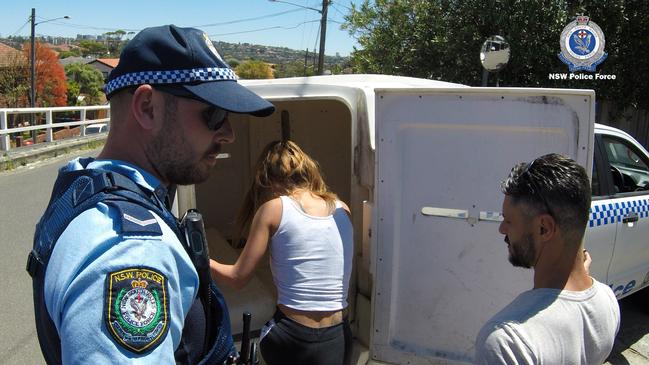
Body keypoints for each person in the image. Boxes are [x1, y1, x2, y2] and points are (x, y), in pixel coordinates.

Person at [27, 25, 275, 364]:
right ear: (147, 107)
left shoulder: (83, 186)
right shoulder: (131, 253)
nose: (228, 134)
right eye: (214, 115)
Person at [210, 140, 354, 365]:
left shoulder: (273, 209)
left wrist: (198, 258)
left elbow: (237, 278)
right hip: (338, 336)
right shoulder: (342, 208)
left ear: (267, 180)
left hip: (293, 338)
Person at [474, 153, 620, 364]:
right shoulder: (608, 302)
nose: (501, 229)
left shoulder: (507, 342)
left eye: (508, 221)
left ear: (544, 228)